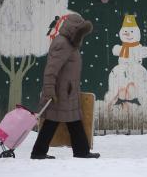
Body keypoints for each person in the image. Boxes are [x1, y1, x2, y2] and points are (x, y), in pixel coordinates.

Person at [31, 14, 100, 159]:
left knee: (71, 120)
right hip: (60, 92)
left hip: (67, 91)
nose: (81, 37)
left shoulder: (69, 44)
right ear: (73, 31)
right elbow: (51, 70)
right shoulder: (63, 43)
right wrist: (49, 91)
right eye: (80, 33)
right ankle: (39, 152)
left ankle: (80, 151)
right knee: (55, 121)